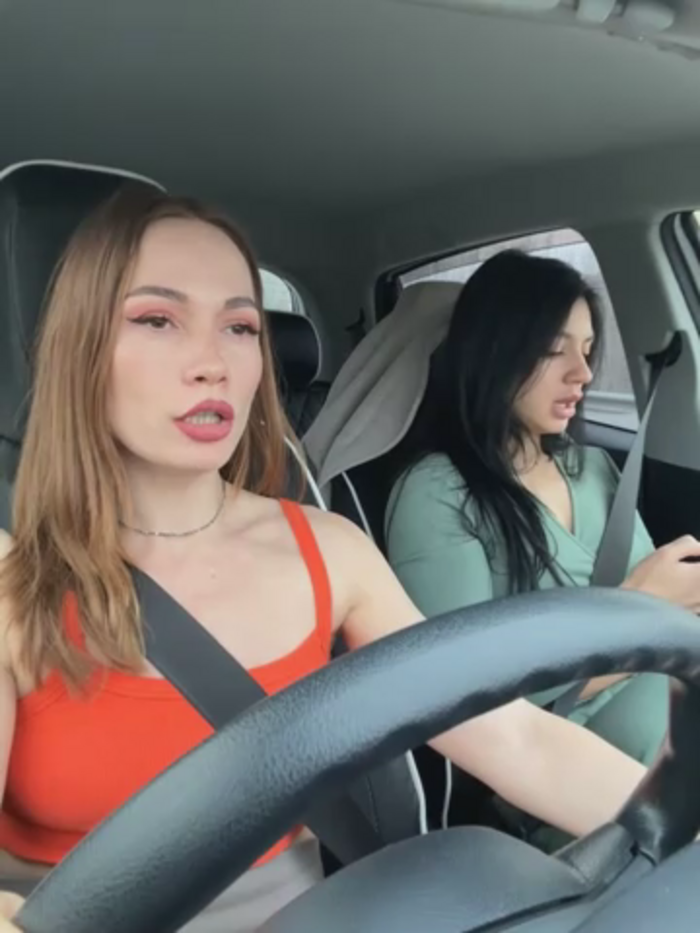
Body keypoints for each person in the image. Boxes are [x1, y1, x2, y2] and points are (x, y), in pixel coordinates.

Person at [0, 193, 687, 931]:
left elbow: (513, 737)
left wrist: (679, 819)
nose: (212, 364)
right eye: (157, 320)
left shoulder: (330, 549)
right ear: (81, 349)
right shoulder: (15, 580)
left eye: (240, 327)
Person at [385, 249, 700, 841]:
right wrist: (638, 611)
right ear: (494, 349)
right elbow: (468, 710)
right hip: (594, 813)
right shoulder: (437, 494)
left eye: (587, 350)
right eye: (556, 350)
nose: (583, 373)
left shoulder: (596, 469)